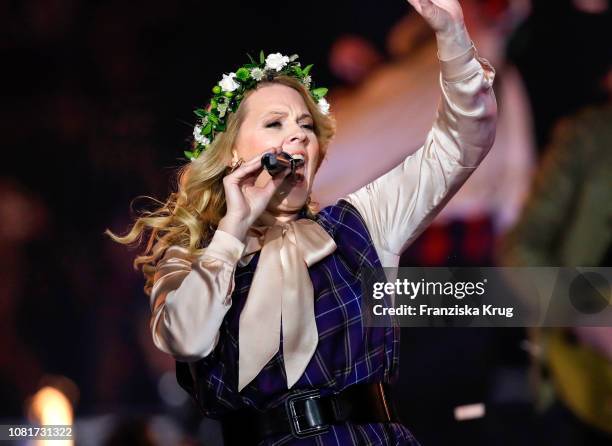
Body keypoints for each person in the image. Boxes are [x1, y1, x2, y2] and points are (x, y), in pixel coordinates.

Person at [106, 0, 497, 443]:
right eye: (275, 123)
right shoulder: (190, 257)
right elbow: (186, 340)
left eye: (306, 125)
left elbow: (462, 143)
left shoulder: (359, 224)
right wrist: (233, 228)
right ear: (232, 152)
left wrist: (452, 36)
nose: (297, 135)